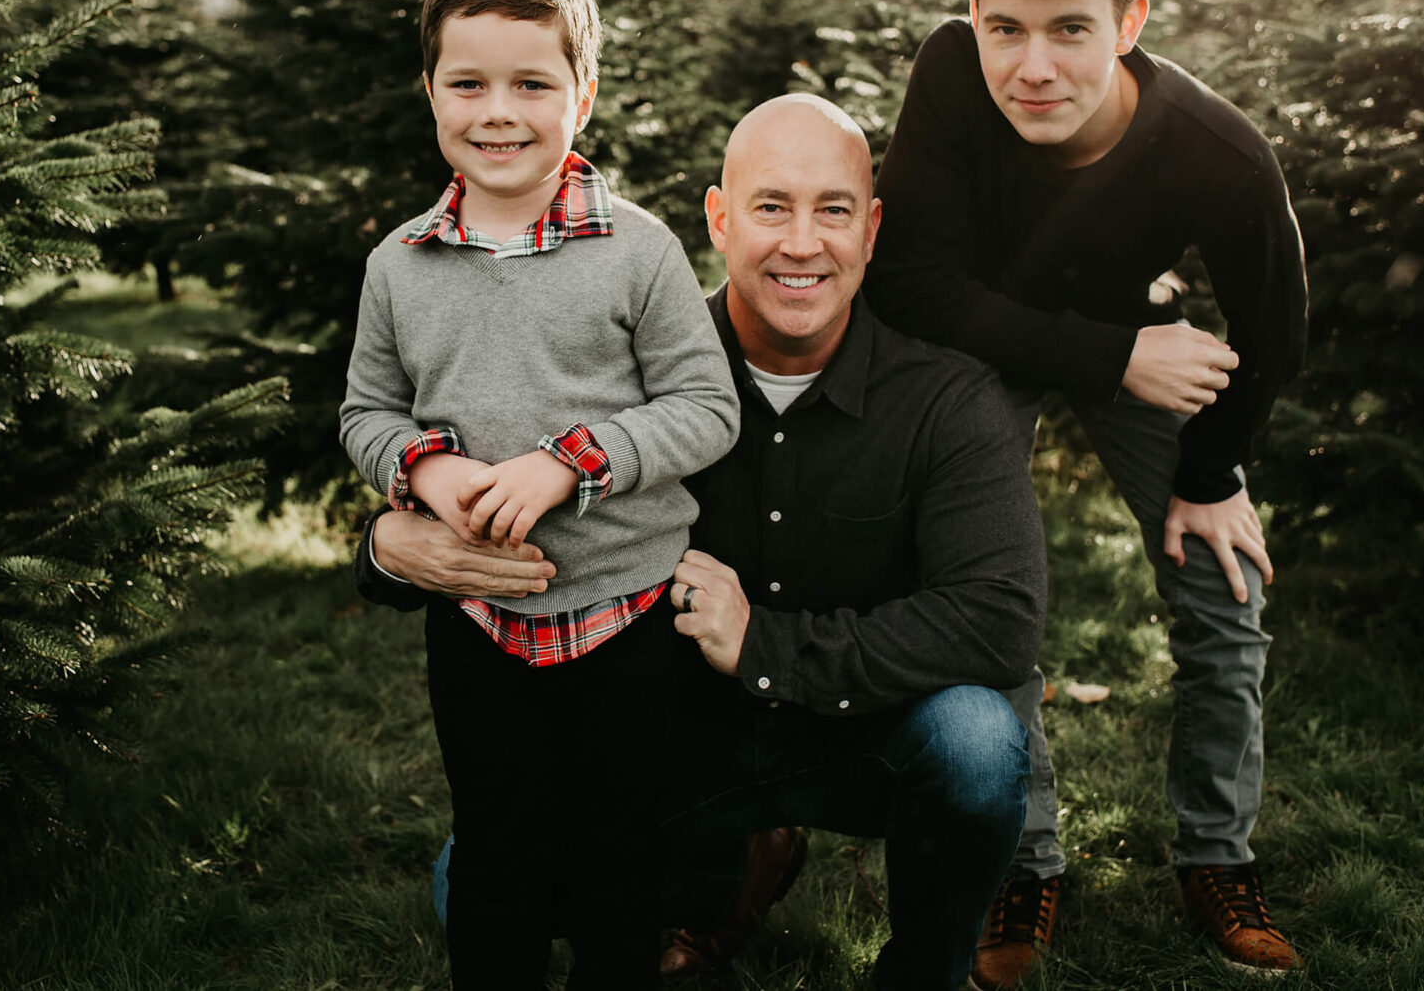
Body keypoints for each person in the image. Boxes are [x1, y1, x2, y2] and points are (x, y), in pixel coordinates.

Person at [364, 93, 1048, 991]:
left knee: (977, 743)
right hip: (663, 743)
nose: (802, 243)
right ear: (719, 219)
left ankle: (923, 972)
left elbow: (998, 623)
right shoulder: (626, 368)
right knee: (469, 889)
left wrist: (764, 647)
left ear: (871, 229)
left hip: (861, 729)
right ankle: (722, 877)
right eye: (770, 207)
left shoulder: (949, 400)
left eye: (832, 210)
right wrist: (385, 543)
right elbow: (491, 484)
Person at [864, 0, 1309, 985]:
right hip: (989, 349)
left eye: (1068, 27)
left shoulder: (1218, 152)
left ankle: (1215, 851)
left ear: (1128, 19)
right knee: (983, 589)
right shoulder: (949, 74)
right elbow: (915, 283)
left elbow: (1278, 322)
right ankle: (1027, 859)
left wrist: (1209, 473)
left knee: (1225, 588)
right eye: (1004, 27)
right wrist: (1111, 354)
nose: (1032, 65)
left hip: (1144, 348)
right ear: (971, 15)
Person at [338, 0, 741, 991]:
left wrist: (573, 462)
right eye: (467, 83)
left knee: (620, 862)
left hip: (626, 618)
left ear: (584, 93)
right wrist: (419, 469)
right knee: (497, 853)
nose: (497, 111)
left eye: (532, 83)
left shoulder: (638, 249)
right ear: (430, 90)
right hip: (477, 624)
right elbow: (365, 410)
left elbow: (706, 407)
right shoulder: (399, 264)